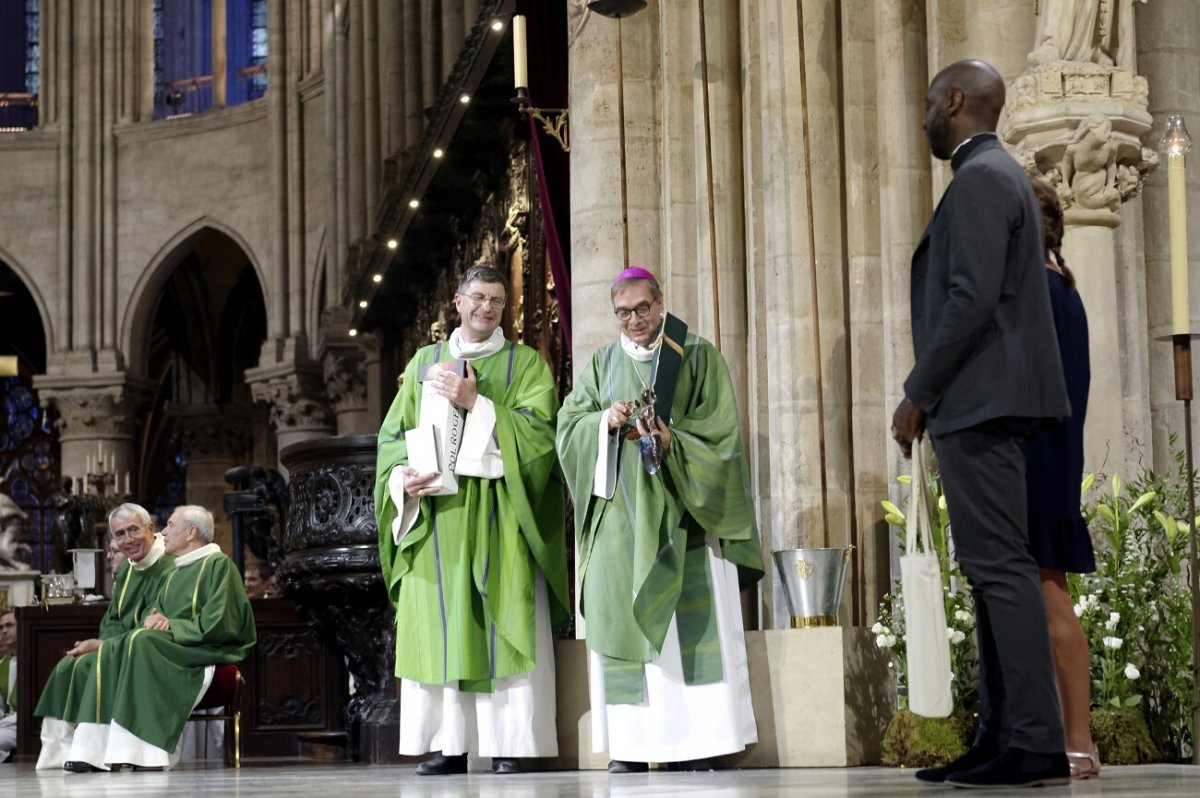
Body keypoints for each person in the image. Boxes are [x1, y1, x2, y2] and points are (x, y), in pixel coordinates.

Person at [890, 60, 1072, 788]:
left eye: (931, 100)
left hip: (981, 401)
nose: (927, 114)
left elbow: (967, 302)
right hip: (995, 400)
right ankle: (1002, 733)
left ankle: (1033, 740)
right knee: (994, 572)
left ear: (955, 101)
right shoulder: (999, 176)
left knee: (1000, 572)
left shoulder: (978, 180)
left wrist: (917, 394)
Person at [557, 266, 763, 772]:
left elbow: (722, 435)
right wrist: (604, 422)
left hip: (683, 519)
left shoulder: (695, 355)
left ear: (660, 302)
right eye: (623, 312)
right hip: (621, 524)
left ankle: (701, 744)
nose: (634, 320)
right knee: (624, 625)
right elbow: (568, 426)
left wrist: (675, 441)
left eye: (642, 308)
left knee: (689, 630)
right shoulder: (603, 363)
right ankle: (633, 747)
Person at [374, 264, 569, 776]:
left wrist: (476, 403)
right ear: (457, 303)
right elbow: (392, 436)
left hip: (500, 512)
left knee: (501, 617)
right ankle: (448, 744)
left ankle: (512, 742)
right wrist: (402, 479)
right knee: (439, 624)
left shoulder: (525, 364)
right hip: (436, 518)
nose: (487, 308)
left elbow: (540, 438)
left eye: (498, 301)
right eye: (478, 298)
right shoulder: (423, 362)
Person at [39, 505, 255, 772]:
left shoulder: (218, 565)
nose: (164, 531)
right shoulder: (177, 571)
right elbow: (149, 616)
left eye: (170, 525)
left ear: (191, 532)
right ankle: (92, 751)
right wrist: (155, 623)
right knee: (105, 653)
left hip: (205, 648)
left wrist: (171, 626)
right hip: (173, 644)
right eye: (120, 534)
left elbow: (223, 620)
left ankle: (148, 753)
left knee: (139, 642)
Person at [1026, 176, 1100, 779]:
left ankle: (1079, 740)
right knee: (1044, 595)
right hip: (1049, 452)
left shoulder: (1045, 293)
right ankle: (1065, 735)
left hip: (1039, 456)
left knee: (1050, 595)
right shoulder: (1059, 289)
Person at [35, 503, 175, 769]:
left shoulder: (168, 568)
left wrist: (104, 646)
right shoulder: (128, 569)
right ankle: (58, 753)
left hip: (149, 649)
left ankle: (93, 754)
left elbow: (154, 621)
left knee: (94, 663)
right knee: (68, 666)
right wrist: (103, 642)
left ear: (151, 529)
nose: (127, 540)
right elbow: (112, 619)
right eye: (120, 534)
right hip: (120, 644)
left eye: (133, 530)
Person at [0, 610, 16, 762]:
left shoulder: (33, 659)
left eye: (9, 625)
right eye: (1, 627)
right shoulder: (2, 665)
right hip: (5, 724)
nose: (4, 630)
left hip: (20, 726)